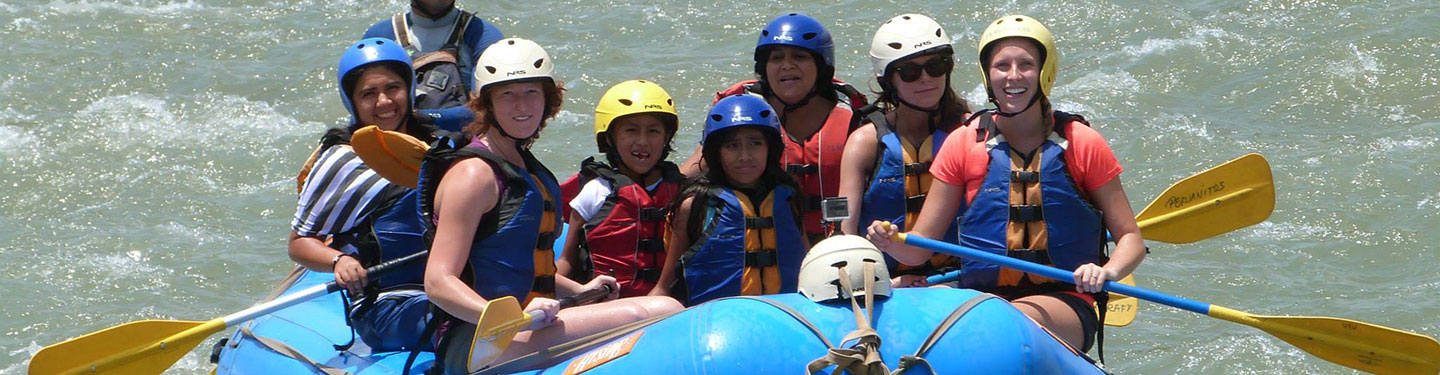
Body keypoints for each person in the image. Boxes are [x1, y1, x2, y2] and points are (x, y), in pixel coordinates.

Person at [867, 15, 1146, 353]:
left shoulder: (1081, 143)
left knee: (1003, 322)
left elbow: (1130, 238)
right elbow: (919, 248)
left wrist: (1108, 270)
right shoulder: (963, 143)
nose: (1013, 76)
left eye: (1025, 64)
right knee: (970, 319)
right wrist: (889, 241)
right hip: (983, 300)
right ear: (988, 75)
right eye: (1002, 66)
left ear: (1045, 70)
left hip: (1067, 300)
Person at [419, 38, 682, 374]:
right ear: (487, 104)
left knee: (654, 308)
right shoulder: (474, 175)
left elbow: (521, 263)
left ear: (549, 100)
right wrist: (510, 322)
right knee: (663, 310)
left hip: (528, 323)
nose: (522, 106)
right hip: (477, 343)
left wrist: (580, 290)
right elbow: (438, 281)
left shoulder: (524, 166)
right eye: (508, 95)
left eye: (532, 93)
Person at [288, 37, 436, 352]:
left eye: (393, 88)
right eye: (369, 94)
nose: (384, 102)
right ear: (352, 102)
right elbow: (300, 243)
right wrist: (338, 260)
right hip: (386, 305)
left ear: (408, 89)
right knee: (461, 321)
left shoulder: (436, 147)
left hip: (447, 288)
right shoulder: (343, 158)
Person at [680, 13, 867, 244]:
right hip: (765, 245)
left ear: (821, 66)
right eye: (776, 58)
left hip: (837, 242)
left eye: (799, 57)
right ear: (764, 67)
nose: (787, 66)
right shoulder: (740, 112)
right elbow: (692, 171)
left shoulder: (854, 116)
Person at [839, 14, 971, 287]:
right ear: (889, 82)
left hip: (960, 280)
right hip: (887, 285)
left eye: (936, 66)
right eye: (910, 72)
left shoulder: (969, 132)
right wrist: (882, 284)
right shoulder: (865, 143)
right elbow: (843, 236)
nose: (925, 78)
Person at [659, 95, 809, 306]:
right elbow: (664, 287)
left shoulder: (788, 199)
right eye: (732, 146)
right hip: (717, 324)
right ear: (716, 152)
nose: (745, 156)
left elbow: (808, 267)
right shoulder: (696, 205)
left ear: (771, 148)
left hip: (783, 317)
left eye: (755, 144)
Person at [554, 80, 684, 298]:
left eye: (653, 131)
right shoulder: (596, 191)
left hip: (667, 305)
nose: (643, 141)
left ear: (666, 138)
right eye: (631, 131)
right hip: (608, 305)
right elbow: (567, 259)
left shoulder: (682, 193)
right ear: (610, 139)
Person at [363, 0, 505, 132]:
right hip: (396, 142)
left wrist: (418, 118)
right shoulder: (379, 36)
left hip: (462, 147)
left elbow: (486, 109)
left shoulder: (483, 36)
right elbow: (363, 109)